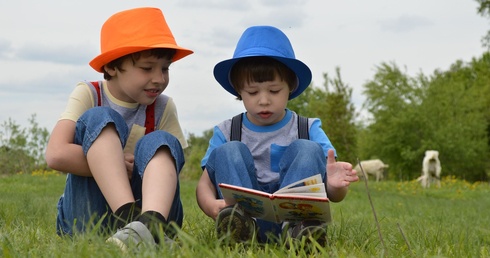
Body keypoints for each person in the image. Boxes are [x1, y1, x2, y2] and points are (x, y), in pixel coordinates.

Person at [45, 7, 193, 250]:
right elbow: (56, 154)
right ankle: (131, 222)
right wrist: (113, 165)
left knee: (162, 141)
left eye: (165, 68)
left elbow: (172, 164)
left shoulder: (164, 107)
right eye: (147, 68)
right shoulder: (89, 94)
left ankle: (150, 224)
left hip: (152, 209)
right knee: (100, 117)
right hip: (89, 218)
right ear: (112, 67)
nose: (159, 78)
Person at [196, 25, 359, 244]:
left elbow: (333, 194)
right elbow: (204, 184)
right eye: (253, 92)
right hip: (245, 216)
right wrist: (210, 205)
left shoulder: (308, 128)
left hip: (294, 218)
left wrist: (335, 187)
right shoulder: (227, 131)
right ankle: (239, 230)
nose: (264, 100)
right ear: (238, 90)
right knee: (229, 151)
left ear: (290, 86)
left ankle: (300, 233)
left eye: (274, 91)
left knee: (307, 148)